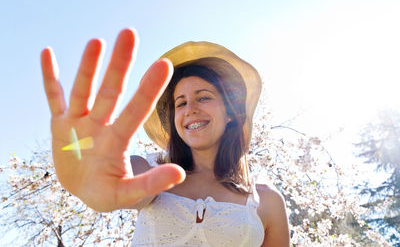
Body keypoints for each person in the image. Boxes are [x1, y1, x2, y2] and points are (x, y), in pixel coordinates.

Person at [41, 28, 290, 246]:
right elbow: (116, 186)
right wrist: (92, 180)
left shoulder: (267, 201)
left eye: (203, 97)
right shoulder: (149, 171)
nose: (190, 108)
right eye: (180, 103)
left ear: (230, 114)